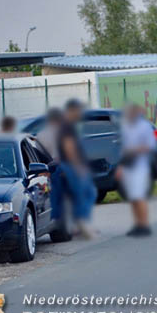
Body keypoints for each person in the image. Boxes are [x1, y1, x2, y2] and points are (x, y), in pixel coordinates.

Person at [57, 99, 96, 238]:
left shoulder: (68, 125)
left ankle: (80, 223)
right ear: (72, 110)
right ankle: (81, 223)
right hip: (72, 165)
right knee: (84, 193)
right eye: (79, 110)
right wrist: (77, 165)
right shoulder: (67, 126)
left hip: (71, 165)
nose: (80, 113)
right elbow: (69, 147)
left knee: (83, 193)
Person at [117, 104, 157, 237]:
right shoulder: (126, 127)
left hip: (140, 166)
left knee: (139, 195)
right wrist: (120, 166)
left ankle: (144, 224)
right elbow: (123, 149)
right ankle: (137, 224)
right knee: (133, 197)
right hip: (128, 165)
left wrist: (135, 150)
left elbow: (151, 146)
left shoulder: (144, 127)